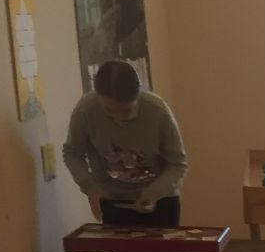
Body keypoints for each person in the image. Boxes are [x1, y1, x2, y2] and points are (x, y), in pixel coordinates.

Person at [62, 59, 188, 225]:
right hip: (112, 200)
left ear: (138, 97)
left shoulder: (157, 111)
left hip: (160, 199)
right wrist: (90, 187)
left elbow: (177, 164)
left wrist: (153, 194)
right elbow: (72, 153)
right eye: (109, 110)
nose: (119, 118)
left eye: (126, 111)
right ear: (99, 96)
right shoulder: (86, 110)